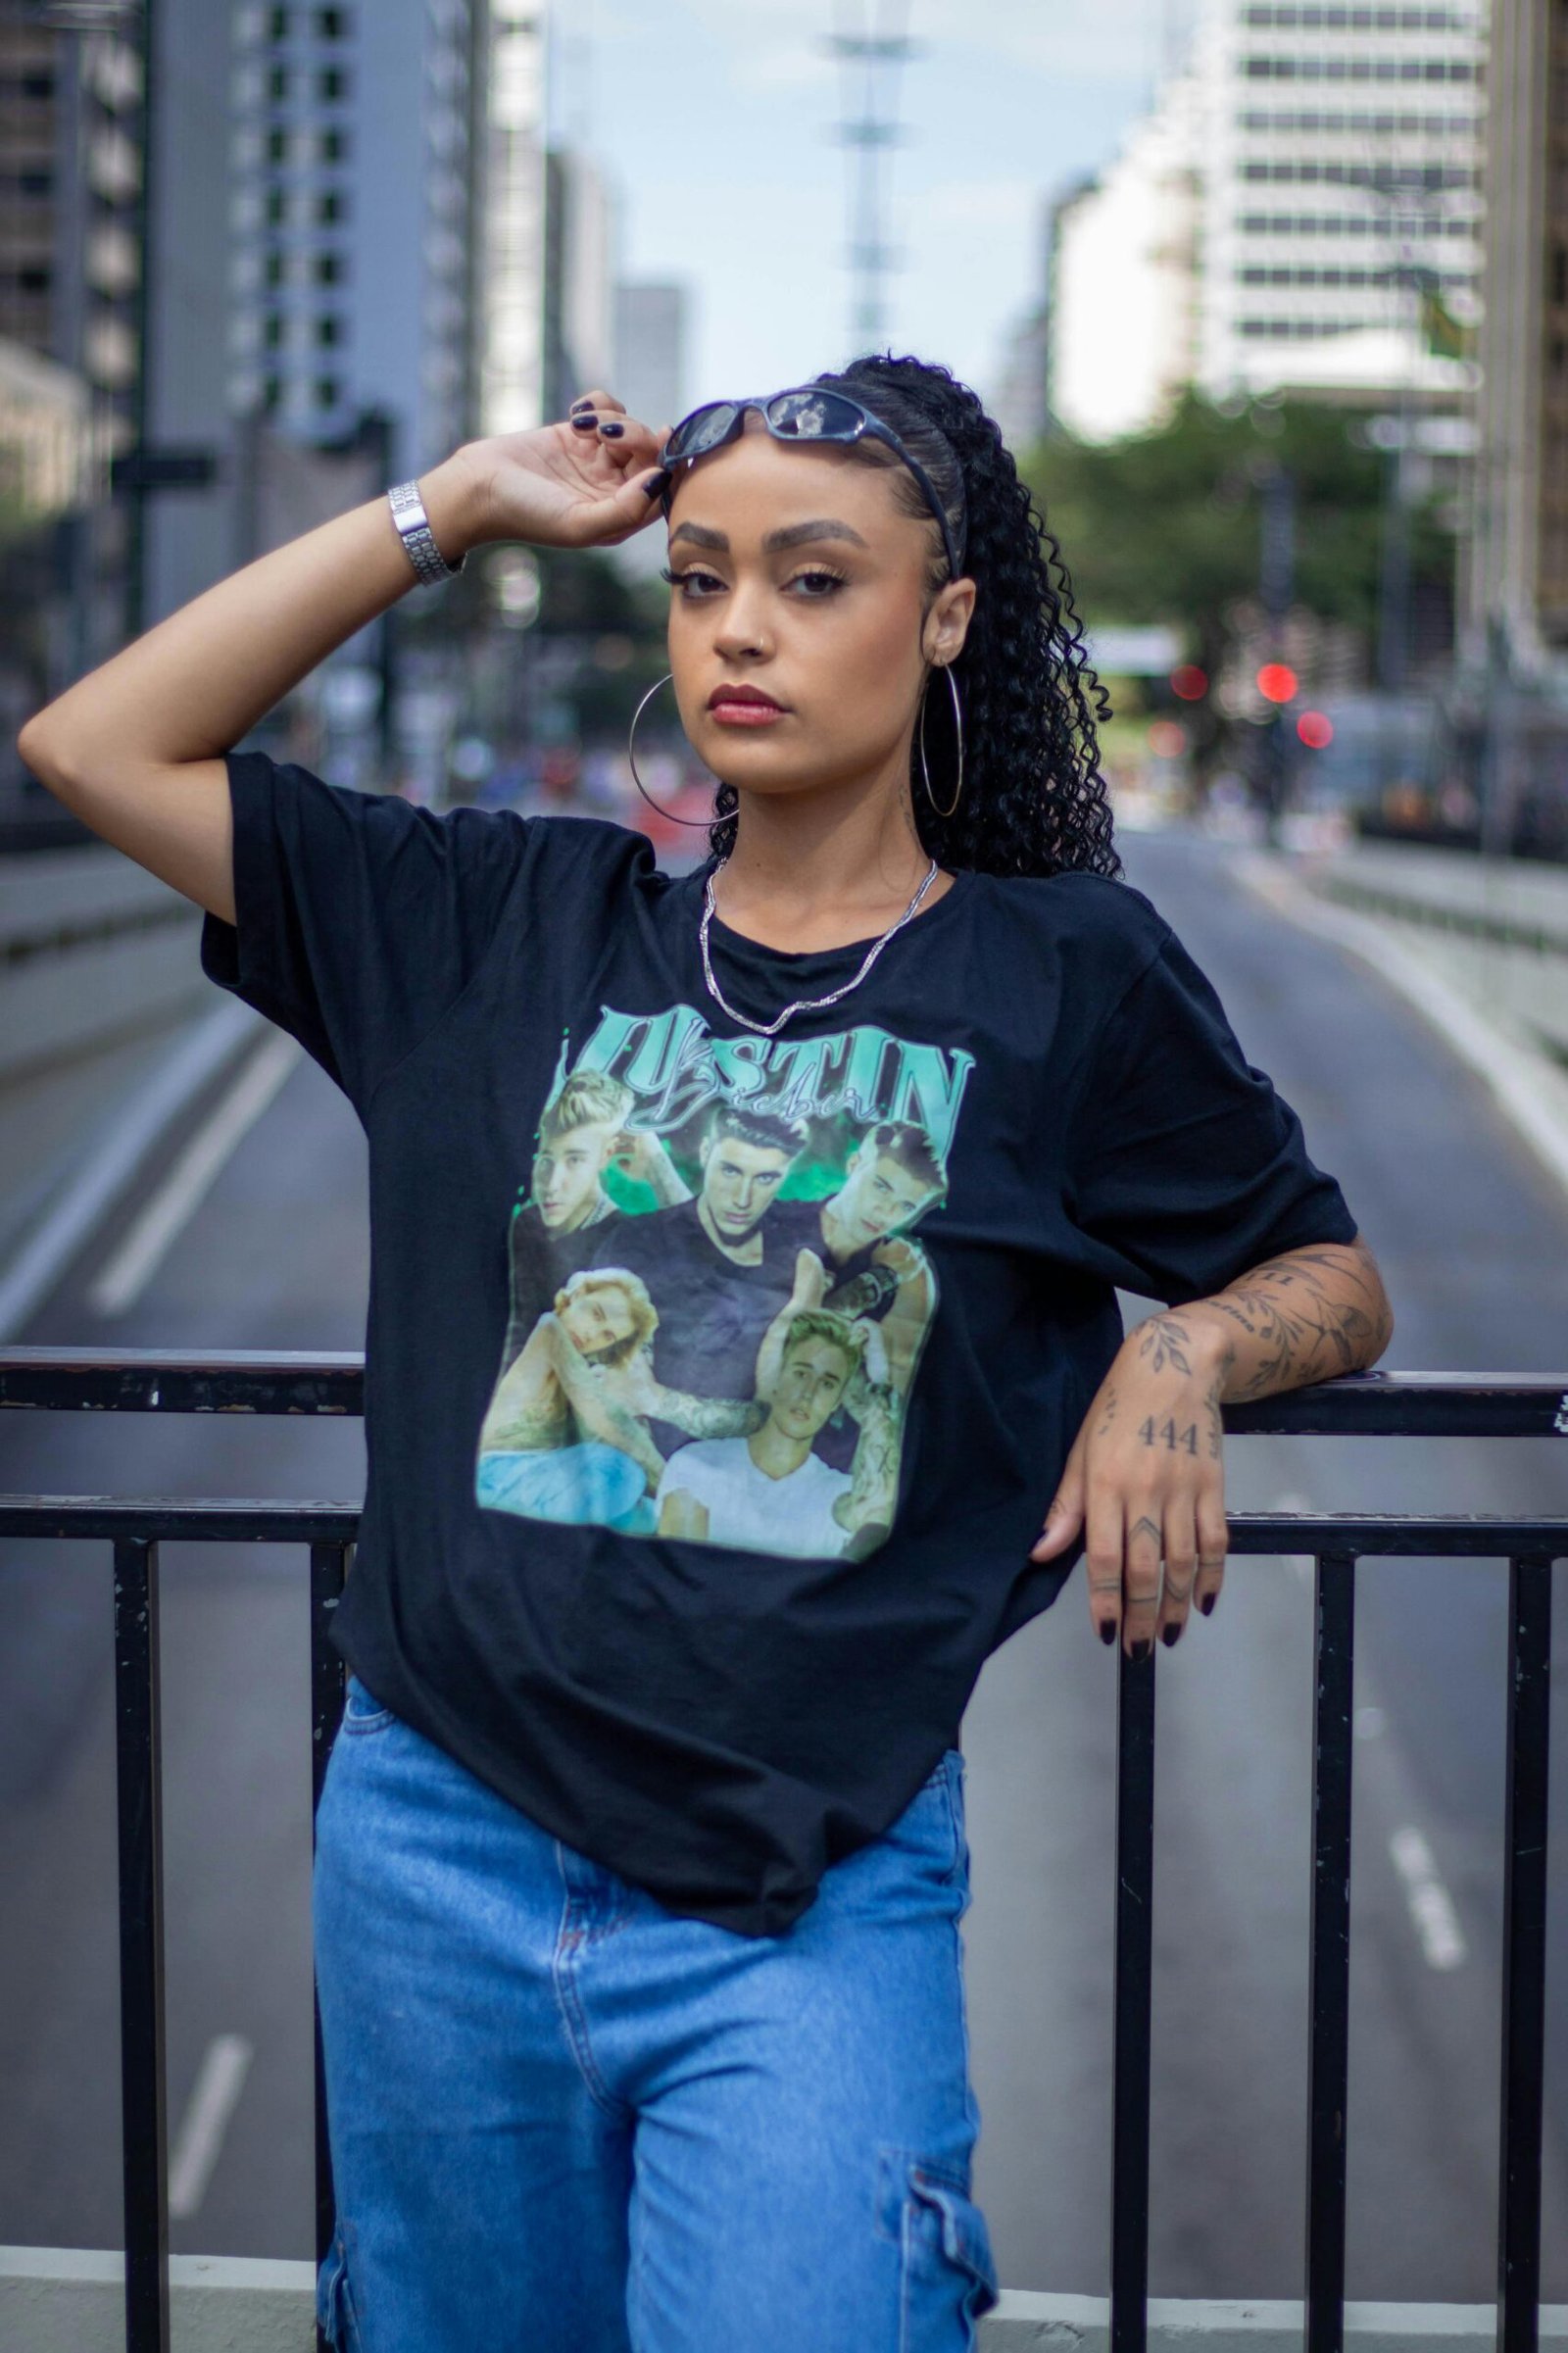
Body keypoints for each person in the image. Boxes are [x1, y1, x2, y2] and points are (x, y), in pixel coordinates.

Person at [17, 355, 1394, 2351]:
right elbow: (95, 744)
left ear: (943, 619)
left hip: (806, 1889)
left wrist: (1181, 1353)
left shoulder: (1065, 976)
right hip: (435, 1853)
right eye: (699, 578)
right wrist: (459, 504)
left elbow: (1326, 1276)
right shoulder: (499, 928)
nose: (740, 626)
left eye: (812, 580)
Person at [655, 1306, 894, 1557]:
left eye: (827, 1384)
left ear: (837, 1402)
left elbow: (877, 1510)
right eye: (801, 1373)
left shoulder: (838, 1492)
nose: (808, 1393)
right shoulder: (698, 1465)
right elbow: (682, 1571)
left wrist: (880, 1385)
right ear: (778, 1376)